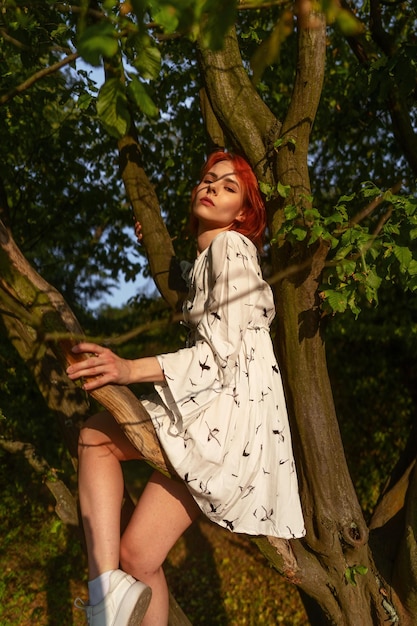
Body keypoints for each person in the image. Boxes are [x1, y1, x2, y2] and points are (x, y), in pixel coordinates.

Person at [67, 151, 305, 626]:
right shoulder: (212, 258)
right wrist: (157, 249)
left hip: (227, 416)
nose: (211, 186)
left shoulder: (232, 249)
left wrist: (129, 368)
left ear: (243, 214)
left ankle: (102, 595)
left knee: (95, 436)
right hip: (233, 423)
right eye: (207, 179)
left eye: (227, 186)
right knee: (138, 557)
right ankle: (110, 593)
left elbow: (219, 351)